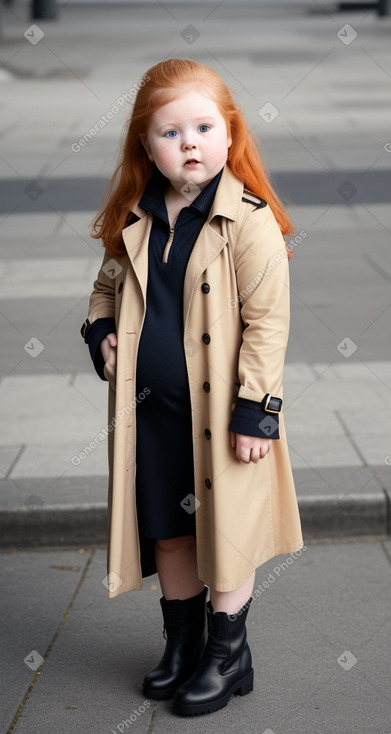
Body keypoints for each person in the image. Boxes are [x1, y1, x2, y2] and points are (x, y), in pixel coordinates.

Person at [81, 58, 303, 717]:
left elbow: (268, 323)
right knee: (170, 532)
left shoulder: (249, 221)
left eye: (203, 127)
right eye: (169, 132)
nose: (188, 144)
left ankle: (226, 653)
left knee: (226, 532)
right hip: (150, 416)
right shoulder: (134, 217)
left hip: (225, 416)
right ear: (144, 145)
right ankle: (183, 645)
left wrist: (256, 412)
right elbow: (103, 292)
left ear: (229, 134)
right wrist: (101, 337)